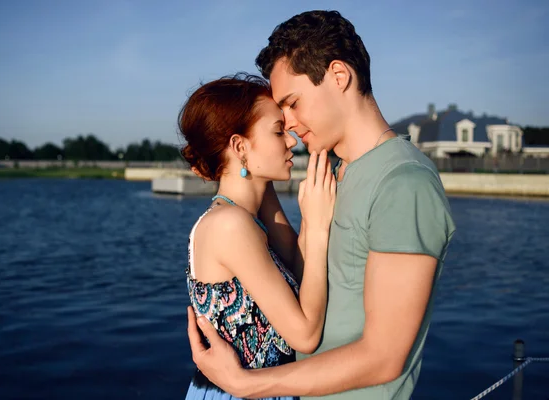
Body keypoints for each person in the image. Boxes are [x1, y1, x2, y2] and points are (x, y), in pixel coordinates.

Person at [187, 10, 456, 400]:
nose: (290, 124)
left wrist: (246, 384)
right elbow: (303, 275)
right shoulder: (327, 172)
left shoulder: (402, 184)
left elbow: (383, 357)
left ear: (339, 76)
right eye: (282, 116)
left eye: (293, 103)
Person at [179, 73, 337, 400]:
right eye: (278, 131)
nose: (292, 139)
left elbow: (298, 264)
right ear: (239, 146)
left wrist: (303, 212)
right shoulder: (230, 225)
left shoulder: (245, 211)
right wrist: (319, 226)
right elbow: (305, 335)